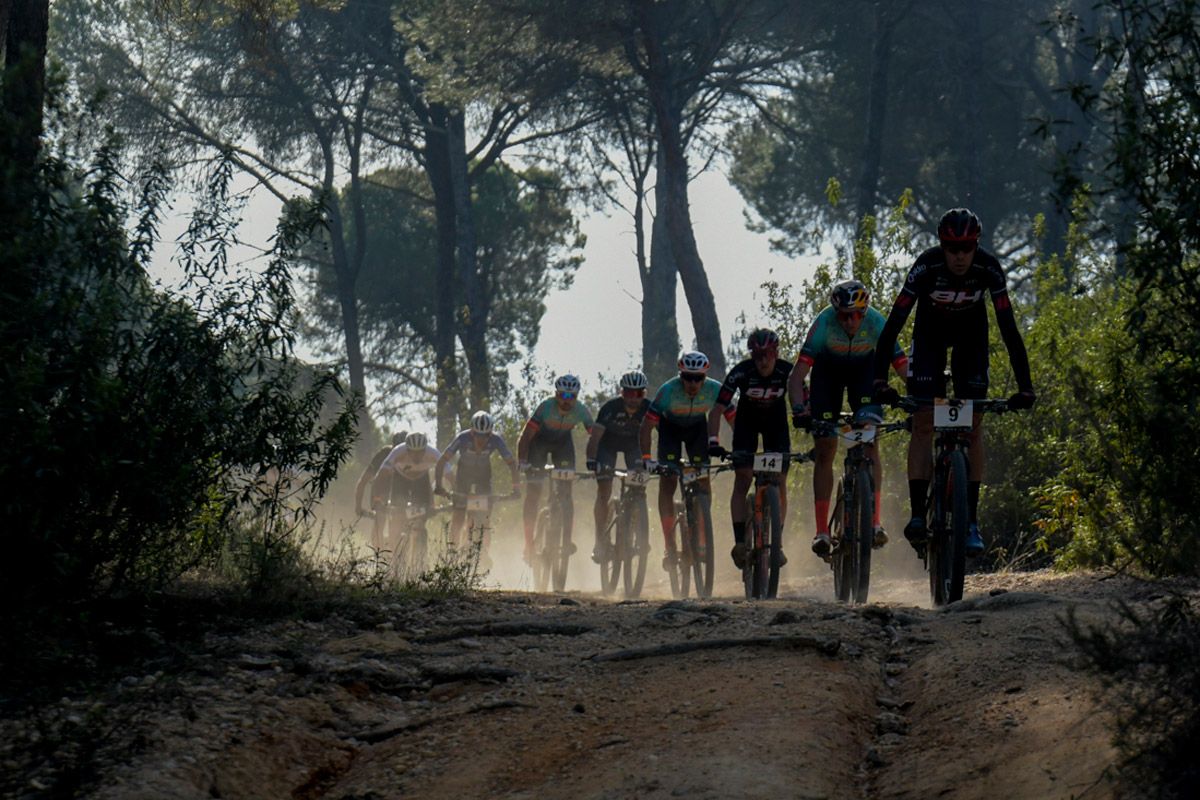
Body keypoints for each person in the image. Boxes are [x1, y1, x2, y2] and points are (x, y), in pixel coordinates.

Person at [871, 208, 1036, 556]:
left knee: (974, 425)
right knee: (923, 421)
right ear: (941, 246)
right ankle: (918, 514)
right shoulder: (926, 266)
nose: (960, 256)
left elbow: (1009, 329)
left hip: (970, 341)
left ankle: (971, 522)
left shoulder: (988, 268)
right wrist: (879, 379)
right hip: (929, 338)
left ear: (976, 245)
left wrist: (1025, 386)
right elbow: (893, 326)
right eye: (952, 247)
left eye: (967, 247)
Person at [788, 280, 909, 557]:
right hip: (827, 377)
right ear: (835, 311)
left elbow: (902, 365)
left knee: (870, 438)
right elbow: (797, 377)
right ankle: (821, 531)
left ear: (865, 311)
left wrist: (922, 397)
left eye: (857, 314)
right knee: (825, 447)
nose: (851, 321)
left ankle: (875, 522)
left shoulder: (877, 322)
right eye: (844, 315)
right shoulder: (823, 323)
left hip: (864, 376)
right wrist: (799, 410)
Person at [638, 351, 733, 572]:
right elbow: (647, 426)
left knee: (703, 477)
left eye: (698, 378)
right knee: (668, 481)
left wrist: (741, 449)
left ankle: (701, 536)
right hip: (669, 431)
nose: (693, 383)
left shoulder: (715, 389)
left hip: (697, 430)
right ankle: (670, 545)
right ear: (681, 376)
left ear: (705, 377)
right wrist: (647, 458)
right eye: (688, 377)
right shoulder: (667, 391)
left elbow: (733, 418)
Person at [708, 329, 793, 569]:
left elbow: (802, 397)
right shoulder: (740, 372)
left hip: (776, 426)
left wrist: (805, 415)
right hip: (747, 424)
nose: (762, 361)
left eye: (767, 355)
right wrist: (713, 441)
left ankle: (778, 544)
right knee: (743, 478)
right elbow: (717, 409)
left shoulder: (788, 371)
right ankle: (739, 542)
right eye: (757, 356)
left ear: (775, 353)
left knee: (780, 480)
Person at [516, 375, 595, 565]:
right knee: (534, 493)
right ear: (556, 394)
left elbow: (595, 435)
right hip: (538, 445)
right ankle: (529, 544)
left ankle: (566, 541)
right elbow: (526, 435)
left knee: (567, 493)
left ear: (577, 397)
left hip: (562, 446)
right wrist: (522, 460)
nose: (567, 400)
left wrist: (596, 459)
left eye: (572, 396)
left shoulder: (582, 411)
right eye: (563, 395)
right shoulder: (545, 407)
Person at [584, 370, 651, 563]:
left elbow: (663, 432)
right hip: (608, 446)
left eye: (638, 394)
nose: (633, 399)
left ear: (643, 394)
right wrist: (591, 459)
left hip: (634, 446)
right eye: (629, 393)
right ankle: (600, 540)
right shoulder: (609, 408)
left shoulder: (648, 408)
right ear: (622, 393)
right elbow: (595, 437)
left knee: (639, 486)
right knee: (604, 491)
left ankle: (639, 530)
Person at [434, 411, 520, 549]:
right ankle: (452, 553)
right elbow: (442, 460)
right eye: (477, 435)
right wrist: (438, 486)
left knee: (485, 520)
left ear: (490, 433)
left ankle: (484, 553)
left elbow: (512, 464)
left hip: (483, 476)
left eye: (485, 435)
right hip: (463, 476)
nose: (481, 439)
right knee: (458, 516)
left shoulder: (496, 440)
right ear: (472, 432)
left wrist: (516, 488)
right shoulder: (462, 438)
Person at [372, 431, 441, 530]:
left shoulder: (433, 452)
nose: (417, 455)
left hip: (421, 481)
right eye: (413, 452)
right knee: (396, 519)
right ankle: (394, 542)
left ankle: (419, 537)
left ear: (425, 450)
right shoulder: (398, 451)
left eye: (420, 452)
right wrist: (377, 499)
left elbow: (449, 475)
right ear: (407, 450)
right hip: (400, 479)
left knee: (420, 520)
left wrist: (433, 504)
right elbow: (380, 477)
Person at [355, 431, 406, 550]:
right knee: (380, 518)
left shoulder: (411, 455)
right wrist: (358, 506)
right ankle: (378, 552)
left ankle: (399, 547)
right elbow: (363, 480)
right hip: (381, 490)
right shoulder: (384, 454)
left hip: (400, 491)